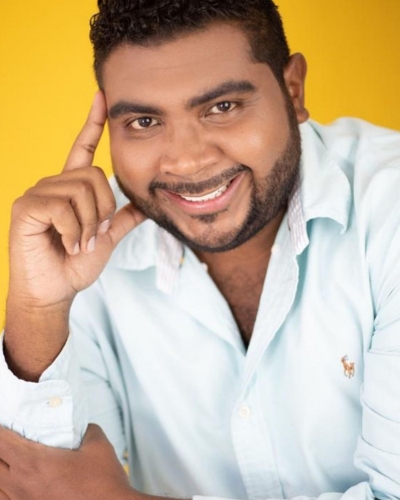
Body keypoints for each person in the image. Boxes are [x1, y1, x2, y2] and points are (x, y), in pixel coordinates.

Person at [0, 0, 399, 499]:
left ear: (292, 90)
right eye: (145, 121)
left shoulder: (390, 208)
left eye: (222, 107)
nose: (187, 161)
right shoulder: (87, 245)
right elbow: (38, 482)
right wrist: (39, 311)